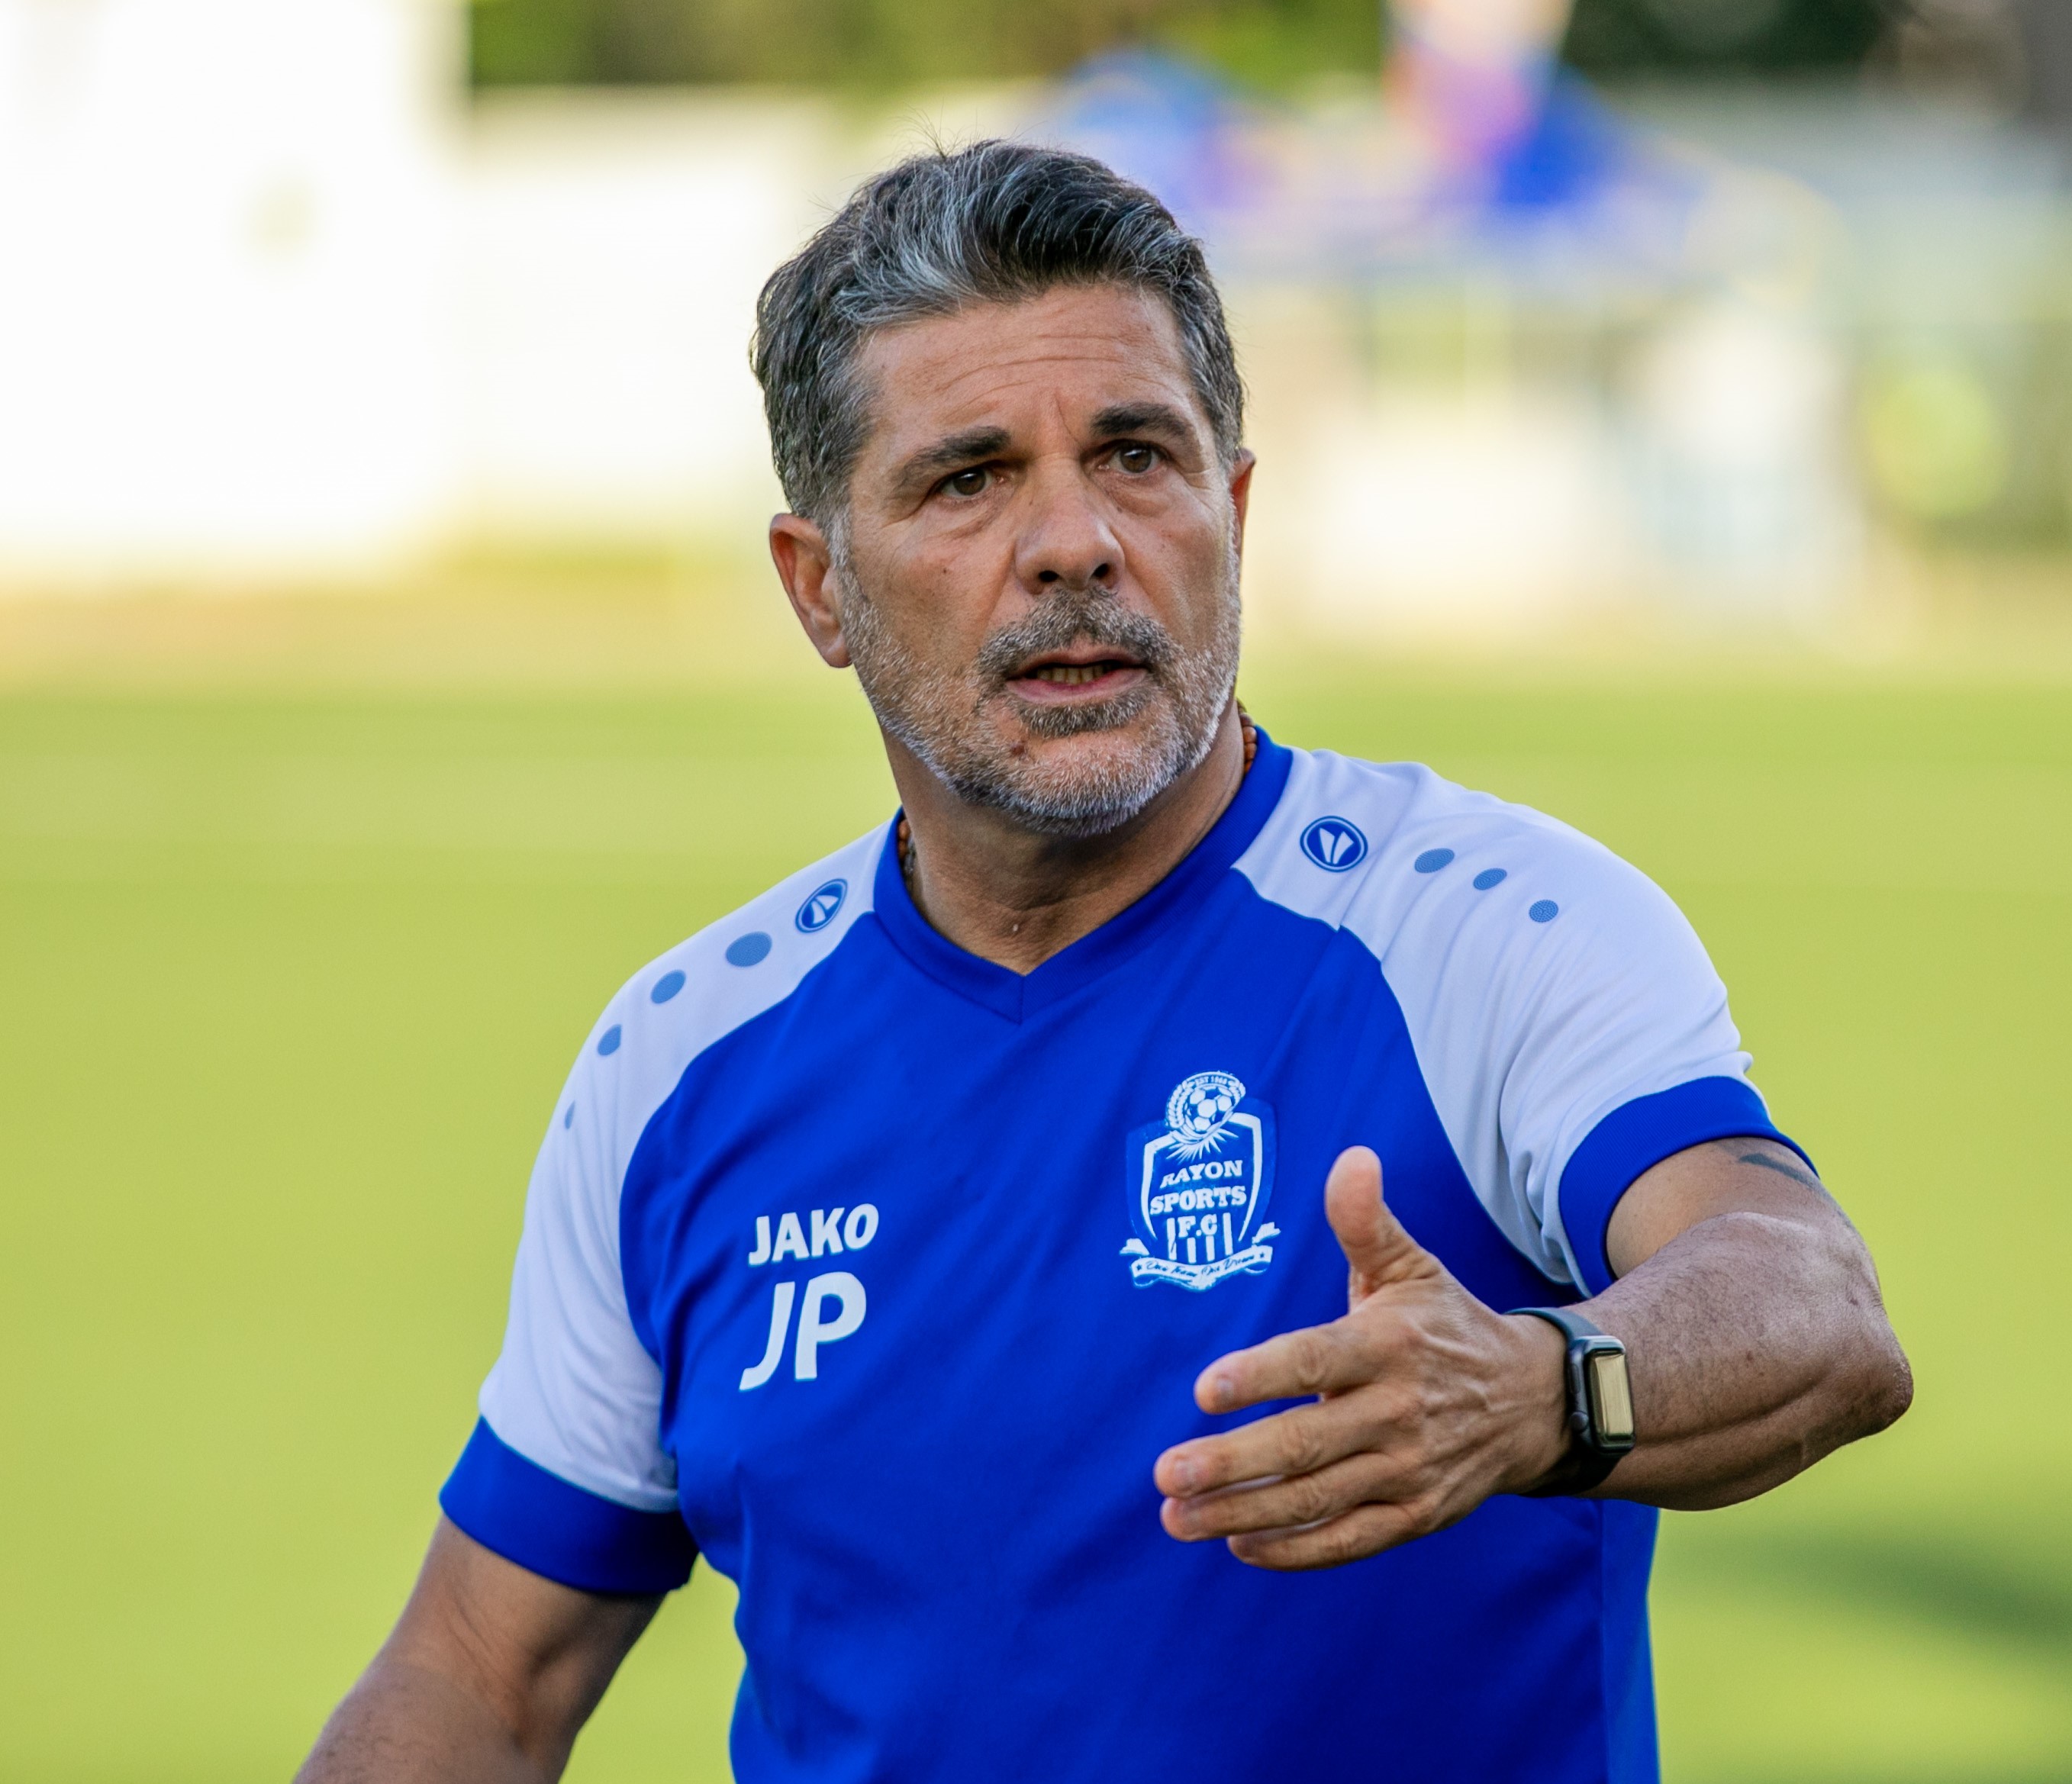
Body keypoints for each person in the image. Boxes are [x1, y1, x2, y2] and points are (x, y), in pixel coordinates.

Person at [297, 140, 1910, 1784]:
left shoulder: (1481, 925)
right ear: (820, 588)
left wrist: (1543, 1387)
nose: (1072, 539)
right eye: (967, 477)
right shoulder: (683, 1063)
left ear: (1234, 506)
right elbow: (480, 1673)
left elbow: (1810, 1302)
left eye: (1136, 455)